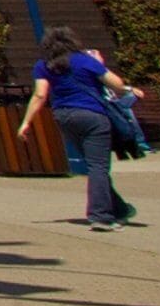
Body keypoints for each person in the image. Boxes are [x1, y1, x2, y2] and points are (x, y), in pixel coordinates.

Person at [21, 29, 137, 232]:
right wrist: (101, 64)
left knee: (93, 166)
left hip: (64, 115)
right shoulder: (84, 60)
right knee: (98, 167)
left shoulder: (43, 65)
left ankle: (119, 209)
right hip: (93, 115)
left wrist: (26, 122)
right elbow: (116, 84)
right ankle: (101, 216)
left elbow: (40, 95)